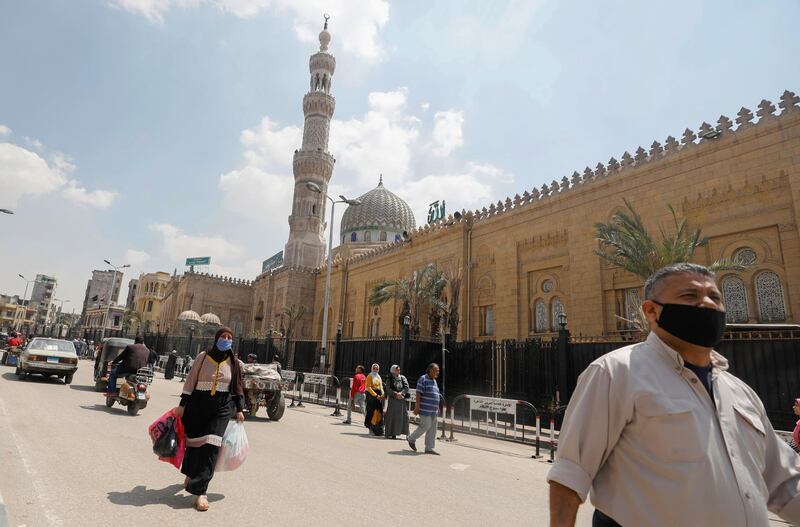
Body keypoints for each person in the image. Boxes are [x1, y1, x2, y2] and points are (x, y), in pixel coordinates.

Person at [548, 263, 800, 527]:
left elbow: (784, 483)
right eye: (690, 296)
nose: (707, 304)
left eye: (714, 297)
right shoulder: (616, 373)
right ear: (651, 311)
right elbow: (570, 474)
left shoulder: (739, 391)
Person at [173, 327, 244, 511]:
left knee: (212, 446)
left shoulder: (234, 362)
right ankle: (190, 474)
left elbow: (237, 386)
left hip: (221, 408)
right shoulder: (203, 357)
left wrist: (240, 409)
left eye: (229, 337)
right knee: (195, 444)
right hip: (198, 405)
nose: (226, 340)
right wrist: (182, 405)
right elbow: (190, 381)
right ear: (216, 338)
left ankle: (201, 491)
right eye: (223, 337)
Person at [407, 363, 441, 454]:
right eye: (435, 370)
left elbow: (435, 393)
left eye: (438, 370)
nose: (437, 372)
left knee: (433, 428)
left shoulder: (434, 380)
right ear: (430, 370)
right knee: (425, 426)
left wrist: (437, 406)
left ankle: (429, 448)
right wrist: (417, 406)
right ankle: (411, 438)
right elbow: (418, 393)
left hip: (433, 410)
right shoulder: (423, 379)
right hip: (425, 409)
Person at [384, 364, 410, 439]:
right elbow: (388, 389)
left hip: (401, 400)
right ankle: (392, 433)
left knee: (404, 416)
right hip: (393, 400)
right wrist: (395, 394)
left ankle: (406, 433)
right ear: (393, 370)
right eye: (396, 370)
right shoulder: (389, 378)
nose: (398, 371)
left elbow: (406, 387)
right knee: (392, 416)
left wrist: (401, 393)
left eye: (399, 370)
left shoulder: (402, 378)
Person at [364, 363, 384, 435]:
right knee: (371, 412)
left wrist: (382, 395)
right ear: (372, 368)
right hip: (371, 397)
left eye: (377, 369)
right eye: (374, 368)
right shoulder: (369, 376)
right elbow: (368, 387)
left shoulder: (378, 377)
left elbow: (381, 387)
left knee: (379, 412)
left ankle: (378, 430)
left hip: (378, 397)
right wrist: (376, 395)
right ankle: (370, 429)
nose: (375, 370)